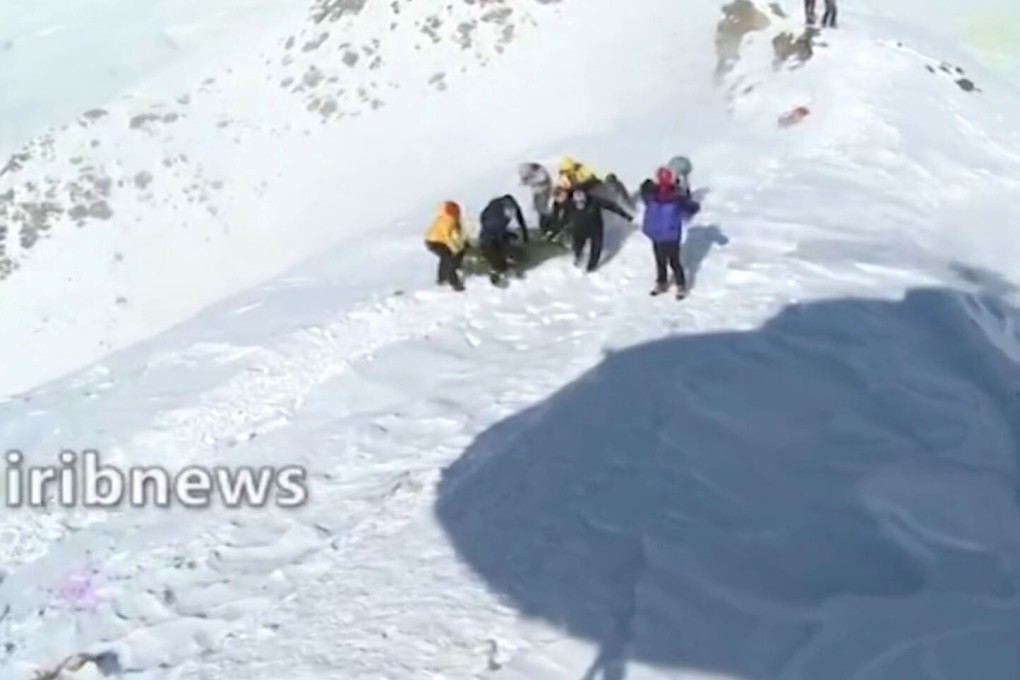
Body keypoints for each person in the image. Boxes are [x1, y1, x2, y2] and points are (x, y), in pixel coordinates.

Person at [640, 167, 701, 298]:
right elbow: (692, 208)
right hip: (665, 234)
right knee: (669, 261)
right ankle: (673, 284)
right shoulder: (674, 197)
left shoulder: (655, 195)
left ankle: (670, 284)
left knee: (667, 260)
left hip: (662, 233)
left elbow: (644, 191)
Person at [553, 185, 632, 273]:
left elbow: (611, 206)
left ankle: (590, 268)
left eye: (582, 202)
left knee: (596, 250)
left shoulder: (594, 201)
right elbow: (563, 218)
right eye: (578, 203)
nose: (580, 204)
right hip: (579, 231)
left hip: (595, 230)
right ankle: (578, 258)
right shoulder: (569, 205)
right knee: (577, 248)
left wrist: (626, 215)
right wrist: (558, 228)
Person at [478, 194, 529, 284]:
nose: (511, 215)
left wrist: (525, 234)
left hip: (491, 231)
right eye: (509, 214)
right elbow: (498, 235)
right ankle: (497, 272)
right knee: (497, 257)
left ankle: (503, 265)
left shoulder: (510, 205)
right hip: (488, 239)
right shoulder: (498, 217)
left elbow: (520, 217)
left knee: (504, 245)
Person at [424, 200, 468, 291]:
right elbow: (447, 235)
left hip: (433, 240)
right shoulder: (448, 219)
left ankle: (444, 278)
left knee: (446, 258)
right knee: (447, 257)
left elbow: (456, 234)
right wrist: (455, 248)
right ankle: (450, 280)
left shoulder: (443, 218)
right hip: (435, 241)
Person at [517, 162, 554, 231]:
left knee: (542, 209)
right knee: (538, 208)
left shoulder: (540, 171)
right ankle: (544, 226)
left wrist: (529, 181)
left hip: (544, 192)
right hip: (538, 192)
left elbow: (542, 179)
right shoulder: (529, 170)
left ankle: (549, 224)